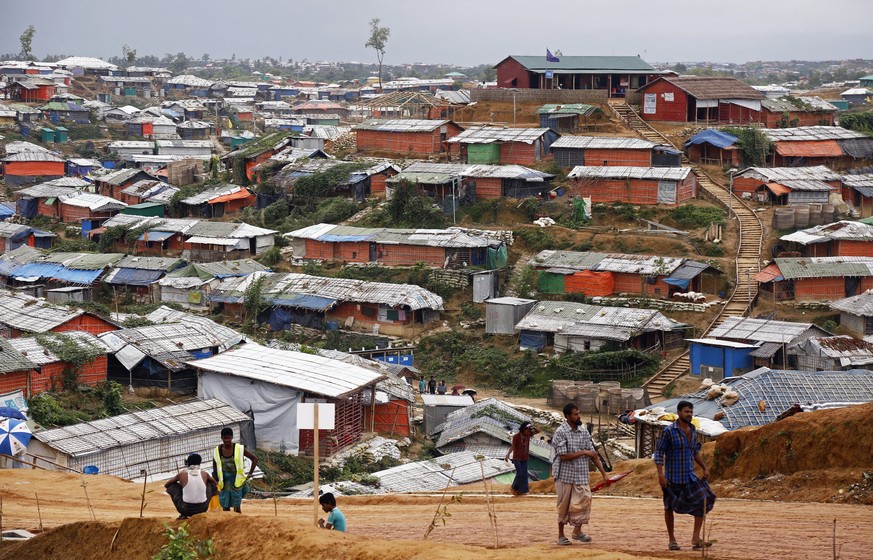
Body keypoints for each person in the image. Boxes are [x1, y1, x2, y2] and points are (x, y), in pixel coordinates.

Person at [654, 400, 716, 551]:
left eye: (691, 412)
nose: (689, 414)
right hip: (672, 477)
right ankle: (672, 540)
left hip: (689, 476)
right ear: (679, 413)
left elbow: (694, 451)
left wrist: (704, 467)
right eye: (686, 412)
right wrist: (661, 475)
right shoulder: (669, 431)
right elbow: (659, 453)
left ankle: (695, 537)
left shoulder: (693, 430)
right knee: (668, 507)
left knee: (704, 499)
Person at [551, 402, 608, 546]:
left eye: (578, 413)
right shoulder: (561, 432)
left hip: (581, 475)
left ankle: (577, 532)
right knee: (564, 506)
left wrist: (604, 474)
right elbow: (563, 456)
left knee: (584, 502)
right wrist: (583, 452)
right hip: (565, 475)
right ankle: (561, 535)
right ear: (567, 416)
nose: (578, 416)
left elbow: (593, 455)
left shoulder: (583, 432)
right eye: (575, 414)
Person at [212, 427, 258, 513]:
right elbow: (215, 463)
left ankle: (238, 521)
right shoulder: (217, 450)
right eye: (225, 438)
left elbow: (254, 459)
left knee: (236, 503)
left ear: (232, 438)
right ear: (221, 438)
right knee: (224, 503)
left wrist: (250, 474)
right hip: (224, 480)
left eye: (229, 438)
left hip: (236, 479)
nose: (227, 440)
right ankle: (228, 521)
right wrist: (215, 477)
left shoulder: (239, 449)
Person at [164, 453, 218, 519]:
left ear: (188, 463)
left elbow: (167, 485)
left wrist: (181, 485)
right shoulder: (204, 473)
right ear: (199, 463)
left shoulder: (182, 474)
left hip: (185, 509)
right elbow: (215, 482)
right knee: (210, 483)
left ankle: (183, 515)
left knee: (172, 485)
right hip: (203, 508)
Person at [504, 421, 540, 496]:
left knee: (525, 474)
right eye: (527, 430)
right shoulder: (516, 436)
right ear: (523, 429)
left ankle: (522, 490)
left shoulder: (528, 435)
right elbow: (513, 446)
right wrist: (508, 454)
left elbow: (538, 431)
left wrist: (531, 427)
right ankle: (514, 487)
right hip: (517, 458)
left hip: (525, 458)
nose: (528, 432)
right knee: (520, 473)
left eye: (529, 430)